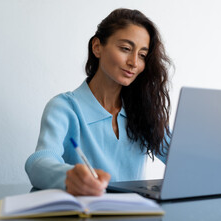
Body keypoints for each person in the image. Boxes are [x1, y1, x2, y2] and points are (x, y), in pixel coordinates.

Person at [25, 8, 172, 196]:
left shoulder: (145, 111)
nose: (134, 62)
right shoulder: (64, 108)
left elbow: (182, 160)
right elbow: (39, 162)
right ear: (97, 47)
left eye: (142, 55)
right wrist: (69, 177)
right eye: (126, 49)